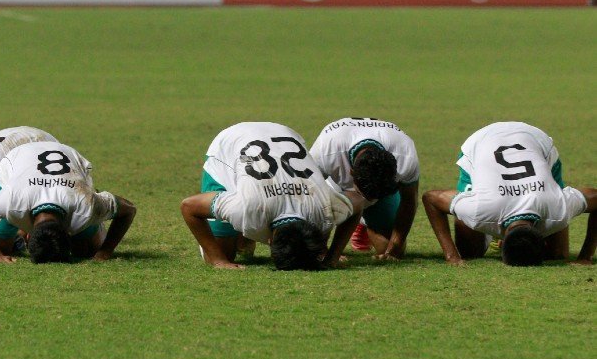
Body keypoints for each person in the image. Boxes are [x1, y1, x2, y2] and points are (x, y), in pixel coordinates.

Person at [180, 122, 367, 270]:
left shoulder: (325, 209)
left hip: (282, 133)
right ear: (269, 242)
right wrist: (218, 260)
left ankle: (243, 236)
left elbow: (359, 201)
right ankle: (241, 238)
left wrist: (332, 255)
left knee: (240, 222)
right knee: (223, 252)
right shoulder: (246, 208)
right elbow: (189, 206)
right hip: (229, 145)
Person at [423, 121, 596, 266]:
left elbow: (430, 197)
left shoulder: (557, 208)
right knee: (470, 252)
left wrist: (586, 257)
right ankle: (485, 230)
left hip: (536, 142)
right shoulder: (479, 210)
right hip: (480, 143)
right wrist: (452, 256)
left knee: (557, 255)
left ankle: (494, 233)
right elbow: (431, 198)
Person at [0, 141, 136, 263]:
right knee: (1, 246)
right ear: (28, 235)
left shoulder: (86, 206)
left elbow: (129, 210)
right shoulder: (11, 200)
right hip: (18, 158)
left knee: (88, 251)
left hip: (70, 165)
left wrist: (105, 251)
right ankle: (13, 238)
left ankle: (99, 212)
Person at [309, 117, 420, 260]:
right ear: (351, 172)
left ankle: (363, 221)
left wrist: (394, 248)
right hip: (335, 187)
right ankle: (355, 215)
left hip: (379, 190)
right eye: (367, 196)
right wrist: (322, 249)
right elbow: (308, 195)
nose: (371, 200)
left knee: (388, 248)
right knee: (312, 250)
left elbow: (409, 200)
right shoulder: (326, 149)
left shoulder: (405, 154)